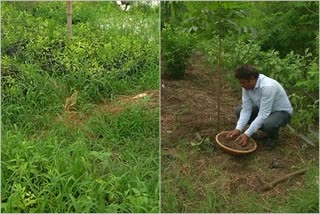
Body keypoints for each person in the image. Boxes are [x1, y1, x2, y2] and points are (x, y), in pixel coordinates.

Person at [226, 64, 293, 149]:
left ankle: (273, 137)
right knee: (239, 110)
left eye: (243, 82)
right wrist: (238, 129)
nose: (242, 85)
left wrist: (247, 134)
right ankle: (263, 131)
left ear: (252, 78)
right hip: (264, 108)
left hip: (281, 112)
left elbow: (263, 114)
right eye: (240, 82)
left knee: (269, 124)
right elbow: (246, 110)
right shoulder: (246, 87)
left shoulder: (267, 86)